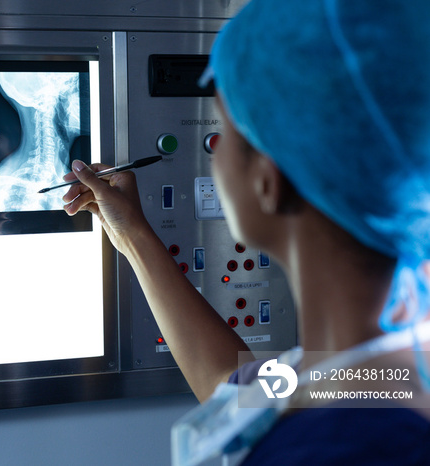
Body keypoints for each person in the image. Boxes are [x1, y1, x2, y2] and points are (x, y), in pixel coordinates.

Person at [62, 0, 430, 463]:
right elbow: (234, 392)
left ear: (267, 180)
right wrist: (133, 235)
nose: (213, 157)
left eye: (226, 132)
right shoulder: (382, 369)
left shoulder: (339, 449)